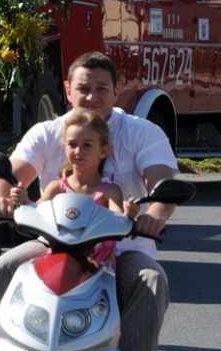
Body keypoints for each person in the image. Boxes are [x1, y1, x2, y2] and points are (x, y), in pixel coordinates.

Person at [0, 51, 178, 351]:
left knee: (151, 280)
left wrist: (152, 216)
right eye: (83, 88)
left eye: (101, 89)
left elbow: (162, 185)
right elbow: (10, 176)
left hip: (120, 250)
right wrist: (0, 197)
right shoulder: (46, 132)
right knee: (3, 266)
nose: (92, 96)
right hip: (51, 246)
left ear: (116, 91)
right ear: (66, 90)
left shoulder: (142, 132)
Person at [10, 108, 140, 270]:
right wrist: (24, 201)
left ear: (104, 150)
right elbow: (37, 213)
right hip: (56, 260)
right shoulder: (57, 187)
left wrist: (129, 215)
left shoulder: (109, 191)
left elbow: (119, 221)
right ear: (65, 148)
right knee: (8, 267)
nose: (78, 151)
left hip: (99, 266)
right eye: (72, 144)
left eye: (87, 145)